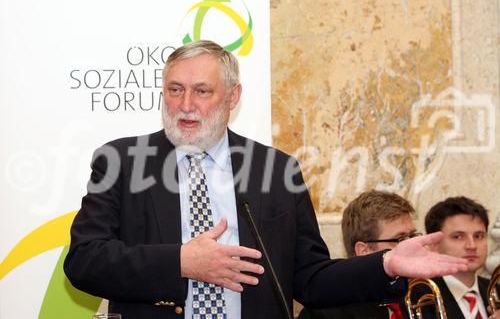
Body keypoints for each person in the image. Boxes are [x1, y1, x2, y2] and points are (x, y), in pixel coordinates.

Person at [64, 40, 468, 319]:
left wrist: (387, 265)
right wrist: (182, 262)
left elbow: (309, 279)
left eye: (202, 91)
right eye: (174, 90)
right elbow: (85, 261)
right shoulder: (122, 160)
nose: (185, 105)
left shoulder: (277, 171)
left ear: (233, 97)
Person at [299, 190, 419, 319]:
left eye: (412, 236)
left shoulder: (420, 294)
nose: (412, 247)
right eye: (400, 239)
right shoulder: (324, 312)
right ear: (364, 251)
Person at [422, 196, 498, 319]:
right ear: (433, 244)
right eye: (458, 237)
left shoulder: (497, 291)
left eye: (478, 236)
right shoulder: (419, 298)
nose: (472, 246)